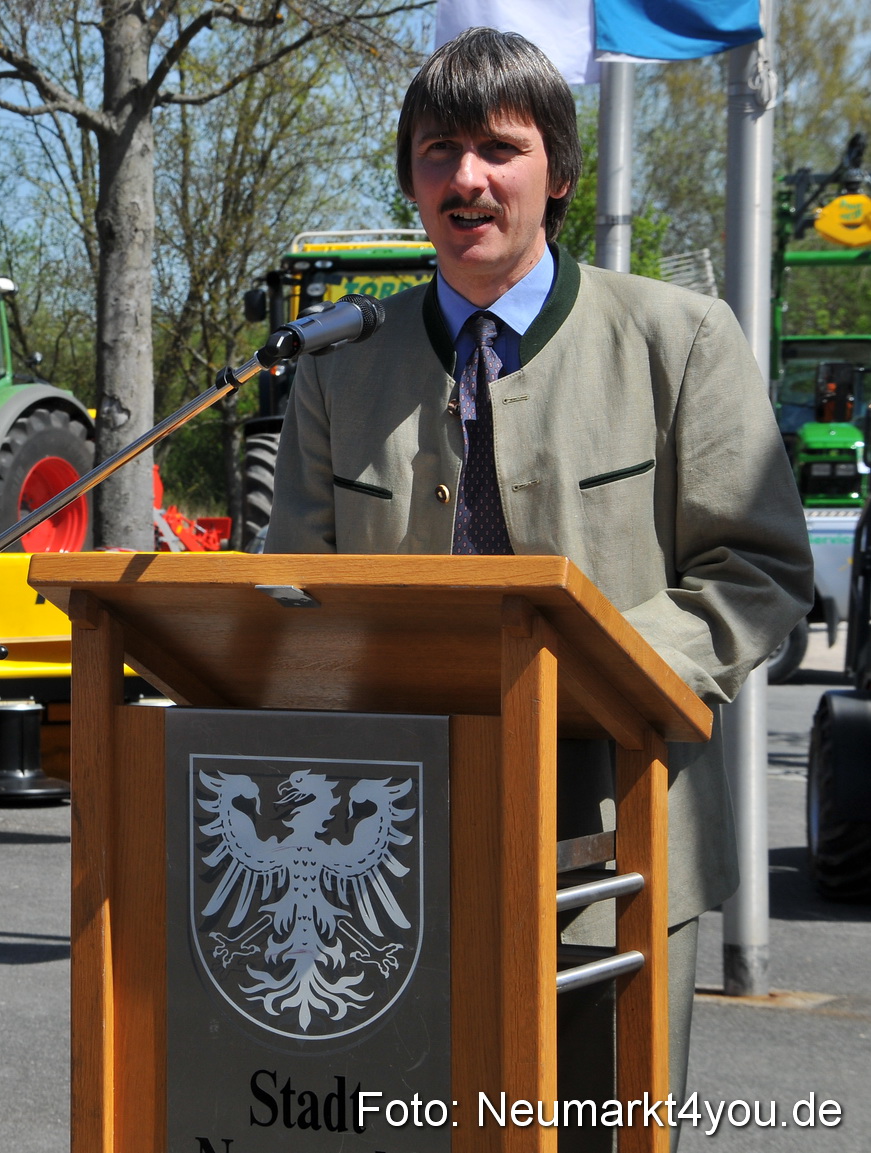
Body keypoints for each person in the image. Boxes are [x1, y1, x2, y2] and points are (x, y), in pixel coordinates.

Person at [266, 26, 811, 1147]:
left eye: (496, 150)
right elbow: (296, 597)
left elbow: (754, 572)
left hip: (615, 831)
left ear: (556, 175)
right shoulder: (335, 368)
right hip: (391, 842)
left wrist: (588, 676)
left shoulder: (681, 340)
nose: (465, 179)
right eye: (436, 152)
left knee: (594, 1123)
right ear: (410, 177)